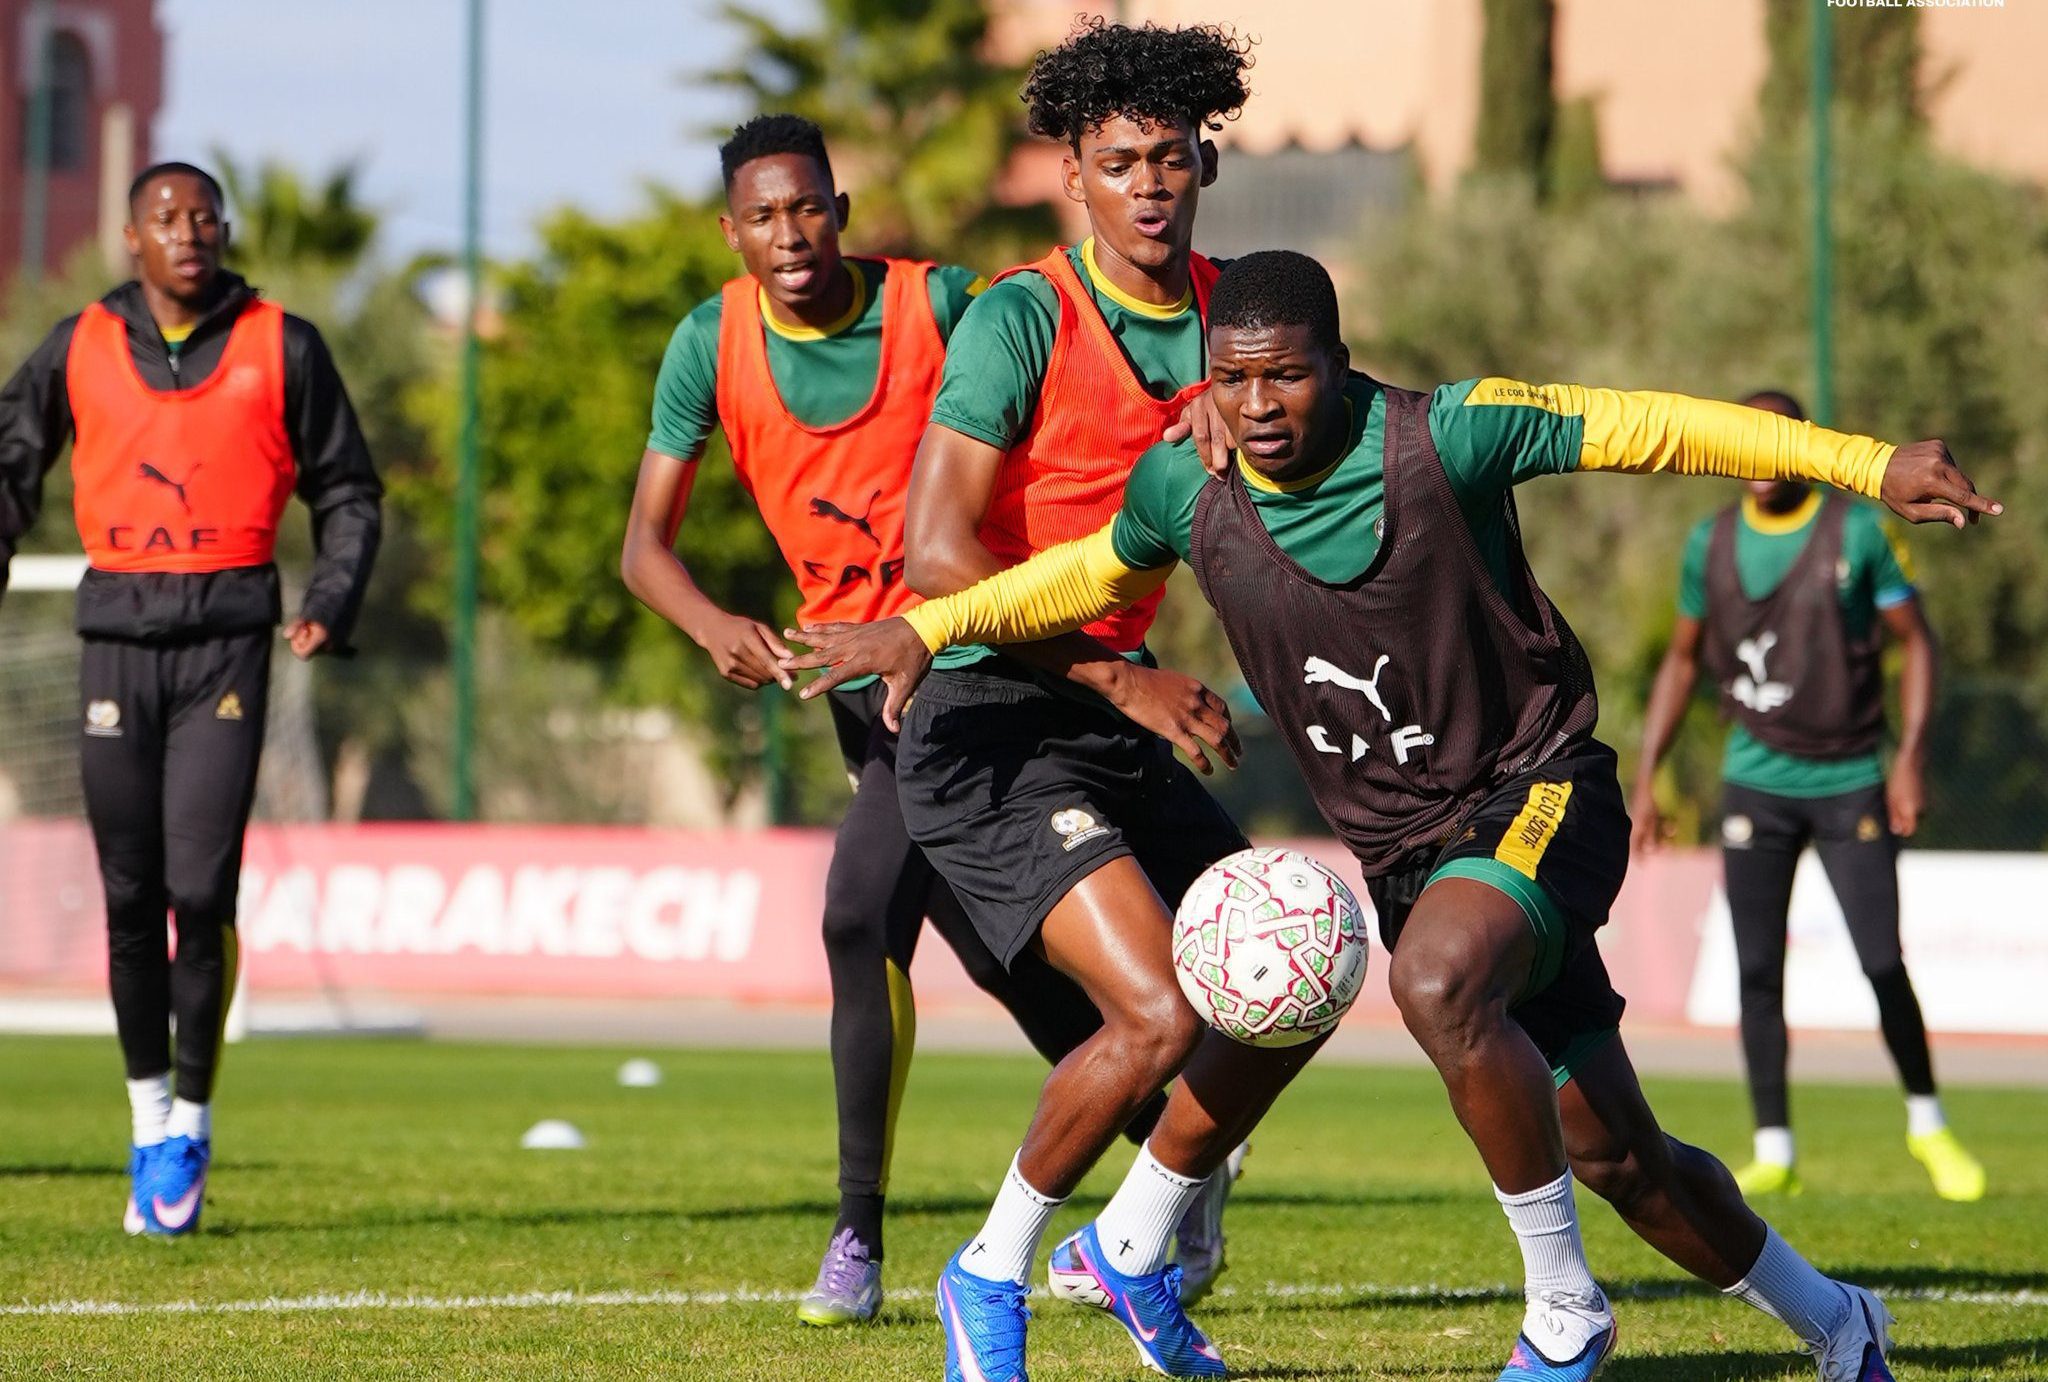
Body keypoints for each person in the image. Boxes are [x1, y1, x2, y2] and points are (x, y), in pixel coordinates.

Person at [785, 251, 2000, 1382]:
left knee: (1431, 981)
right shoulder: (1185, 487)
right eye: (1231, 378)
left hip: (1537, 791)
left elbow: (1652, 424)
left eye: (1286, 374)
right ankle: (1841, 1328)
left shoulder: (1446, 434)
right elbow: (1080, 574)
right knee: (1617, 1153)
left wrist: (1866, 462)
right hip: (1412, 853)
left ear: (1340, 360)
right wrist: (926, 625)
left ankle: (1563, 1311)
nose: (1257, 404)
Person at [617, 113, 1178, 1325]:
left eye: (808, 206)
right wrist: (714, 623)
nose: (790, 233)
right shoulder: (708, 341)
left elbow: (1068, 372)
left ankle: (855, 1241)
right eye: (763, 215)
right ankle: (1176, 1148)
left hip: (971, 669)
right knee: (991, 949)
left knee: (855, 911)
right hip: (850, 689)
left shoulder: (946, 306)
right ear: (732, 231)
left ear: (843, 206)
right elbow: (640, 550)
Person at [835, 19, 1260, 1378]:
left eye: (1172, 158)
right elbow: (939, 557)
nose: (1149, 181)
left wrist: (1259, 436)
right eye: (1120, 159)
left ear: (1204, 163)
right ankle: (989, 1269)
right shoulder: (1027, 315)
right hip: (984, 716)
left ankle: (1131, 1248)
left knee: (1285, 978)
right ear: (1073, 172)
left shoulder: (1231, 316)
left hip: (1102, 718)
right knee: (1157, 1017)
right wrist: (1124, 674)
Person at [0, 162, 382, 1236]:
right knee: (128, 894)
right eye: (167, 217)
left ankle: (196, 1117)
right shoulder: (79, 342)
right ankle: (145, 1118)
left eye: (205, 216)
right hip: (115, 638)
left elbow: (348, 487)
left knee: (200, 889)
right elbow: (9, 465)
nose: (189, 231)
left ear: (224, 232)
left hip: (226, 644)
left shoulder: (283, 344)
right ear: (132, 238)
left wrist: (333, 596)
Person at [1631, 389, 1985, 1202]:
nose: (1758, 459)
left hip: (1850, 776)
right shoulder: (1709, 543)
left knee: (1880, 959)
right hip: (1755, 780)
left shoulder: (1856, 530)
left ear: (1799, 449)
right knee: (1756, 970)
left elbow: (1918, 642)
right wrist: (1647, 777)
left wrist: (1911, 758)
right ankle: (1774, 1146)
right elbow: (1682, 662)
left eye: (1774, 442)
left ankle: (1929, 1126)